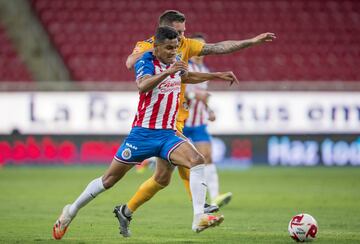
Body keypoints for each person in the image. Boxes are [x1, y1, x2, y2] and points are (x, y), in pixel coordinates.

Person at [52, 26, 239, 240]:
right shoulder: (146, 61)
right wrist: (168, 72)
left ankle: (199, 218)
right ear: (156, 47)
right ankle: (71, 211)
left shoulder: (175, 60)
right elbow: (142, 86)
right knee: (109, 180)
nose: (173, 52)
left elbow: (186, 77)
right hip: (142, 136)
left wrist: (216, 75)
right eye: (168, 48)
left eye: (175, 47)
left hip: (168, 134)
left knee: (197, 160)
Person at [117, 10, 276, 234]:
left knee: (162, 179)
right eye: (179, 31)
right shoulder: (149, 47)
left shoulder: (187, 46)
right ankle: (202, 208)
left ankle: (125, 211)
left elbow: (219, 47)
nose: (183, 36)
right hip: (165, 121)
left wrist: (251, 41)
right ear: (166, 29)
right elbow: (129, 63)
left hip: (179, 116)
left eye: (184, 32)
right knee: (192, 159)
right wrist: (143, 53)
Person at [183, 33, 232, 208]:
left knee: (207, 157)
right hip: (181, 121)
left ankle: (215, 196)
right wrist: (193, 94)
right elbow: (179, 92)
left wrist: (209, 109)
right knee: (168, 164)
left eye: (204, 47)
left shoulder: (205, 70)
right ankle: (146, 160)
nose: (201, 51)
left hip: (198, 123)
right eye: (198, 46)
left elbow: (202, 97)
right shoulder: (184, 66)